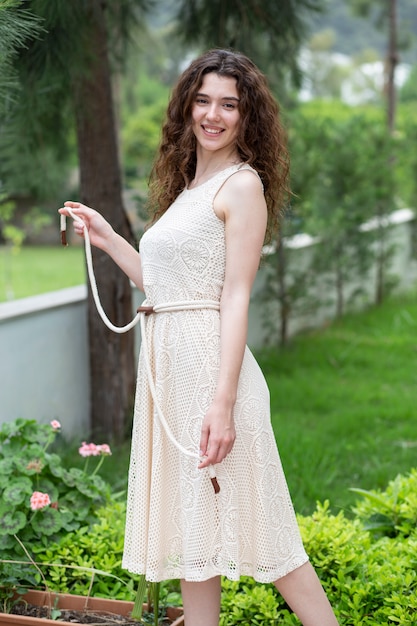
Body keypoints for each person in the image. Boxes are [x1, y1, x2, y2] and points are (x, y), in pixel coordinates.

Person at [59, 49, 338, 626]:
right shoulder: (192, 185)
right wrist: (109, 238)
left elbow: (235, 296)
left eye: (229, 105)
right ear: (187, 107)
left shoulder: (242, 186)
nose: (213, 114)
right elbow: (168, 286)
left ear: (246, 116)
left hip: (212, 376)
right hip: (174, 376)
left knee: (271, 536)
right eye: (203, 100)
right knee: (196, 538)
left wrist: (223, 402)